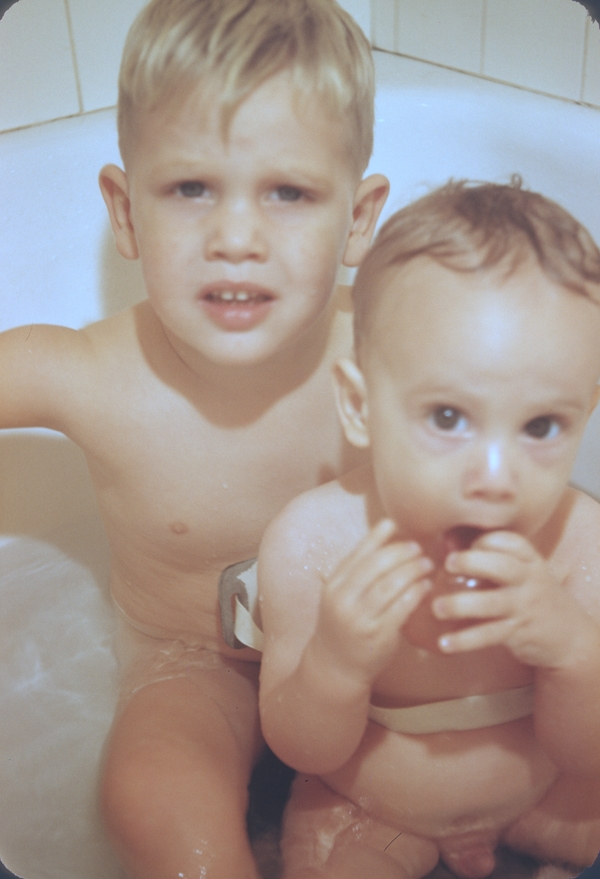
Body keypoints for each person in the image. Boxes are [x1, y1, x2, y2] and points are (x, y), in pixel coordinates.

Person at [0, 0, 390, 876]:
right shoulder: (90, 376)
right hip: (192, 667)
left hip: (372, 651)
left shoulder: (395, 347)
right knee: (149, 789)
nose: (237, 238)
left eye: (288, 192)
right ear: (126, 210)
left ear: (359, 219)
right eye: (190, 189)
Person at [258, 179, 600, 879]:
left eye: (541, 425)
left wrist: (575, 652)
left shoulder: (581, 545)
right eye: (448, 417)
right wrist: (335, 662)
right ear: (360, 406)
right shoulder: (313, 544)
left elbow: (587, 753)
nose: (497, 476)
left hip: (549, 793)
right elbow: (301, 748)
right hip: (368, 808)